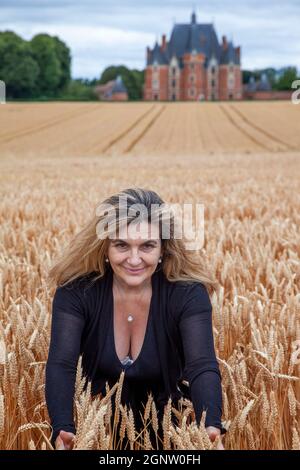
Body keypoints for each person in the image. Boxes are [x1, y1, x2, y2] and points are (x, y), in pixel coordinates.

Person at [45, 187, 226, 450]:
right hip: (97, 435)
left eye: (147, 246)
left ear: (163, 249)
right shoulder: (76, 292)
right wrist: (63, 428)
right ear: (104, 246)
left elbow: (202, 366)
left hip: (170, 438)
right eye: (121, 245)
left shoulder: (187, 294)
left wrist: (209, 425)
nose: (134, 259)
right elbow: (62, 364)